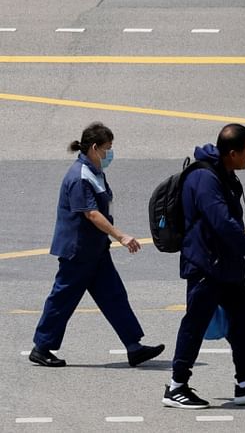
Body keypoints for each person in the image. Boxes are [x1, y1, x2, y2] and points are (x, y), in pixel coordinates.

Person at [163, 124, 245, 409]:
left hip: (225, 265)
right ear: (232, 153)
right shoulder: (205, 179)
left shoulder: (223, 173)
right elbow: (222, 223)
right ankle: (176, 386)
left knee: (242, 320)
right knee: (195, 323)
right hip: (206, 265)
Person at [29, 122, 165, 368]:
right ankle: (41, 347)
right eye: (107, 148)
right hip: (78, 251)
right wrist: (120, 236)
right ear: (94, 147)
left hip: (95, 250)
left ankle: (134, 346)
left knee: (114, 296)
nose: (109, 153)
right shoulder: (79, 177)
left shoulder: (95, 170)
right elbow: (91, 213)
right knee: (63, 299)